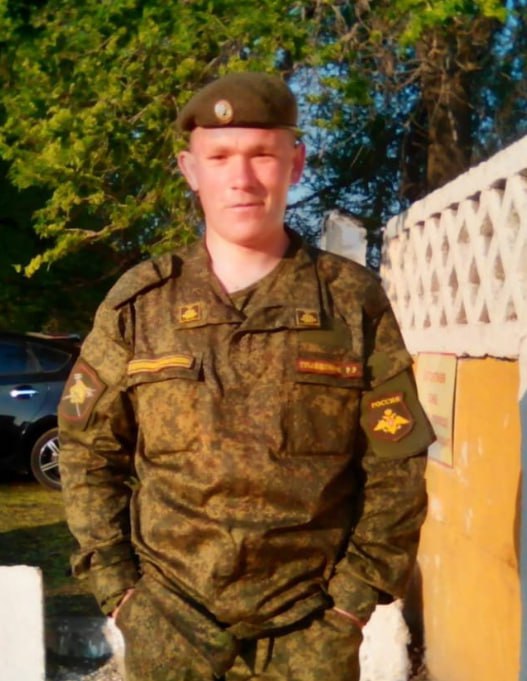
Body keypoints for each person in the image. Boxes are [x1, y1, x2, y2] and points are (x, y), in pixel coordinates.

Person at [58, 71, 435, 681]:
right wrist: (120, 591)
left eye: (262, 154)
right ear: (189, 169)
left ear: (296, 163)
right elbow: (87, 452)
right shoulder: (140, 304)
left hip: (309, 631)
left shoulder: (350, 301)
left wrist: (352, 601)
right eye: (220, 157)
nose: (242, 177)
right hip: (169, 624)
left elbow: (397, 463)